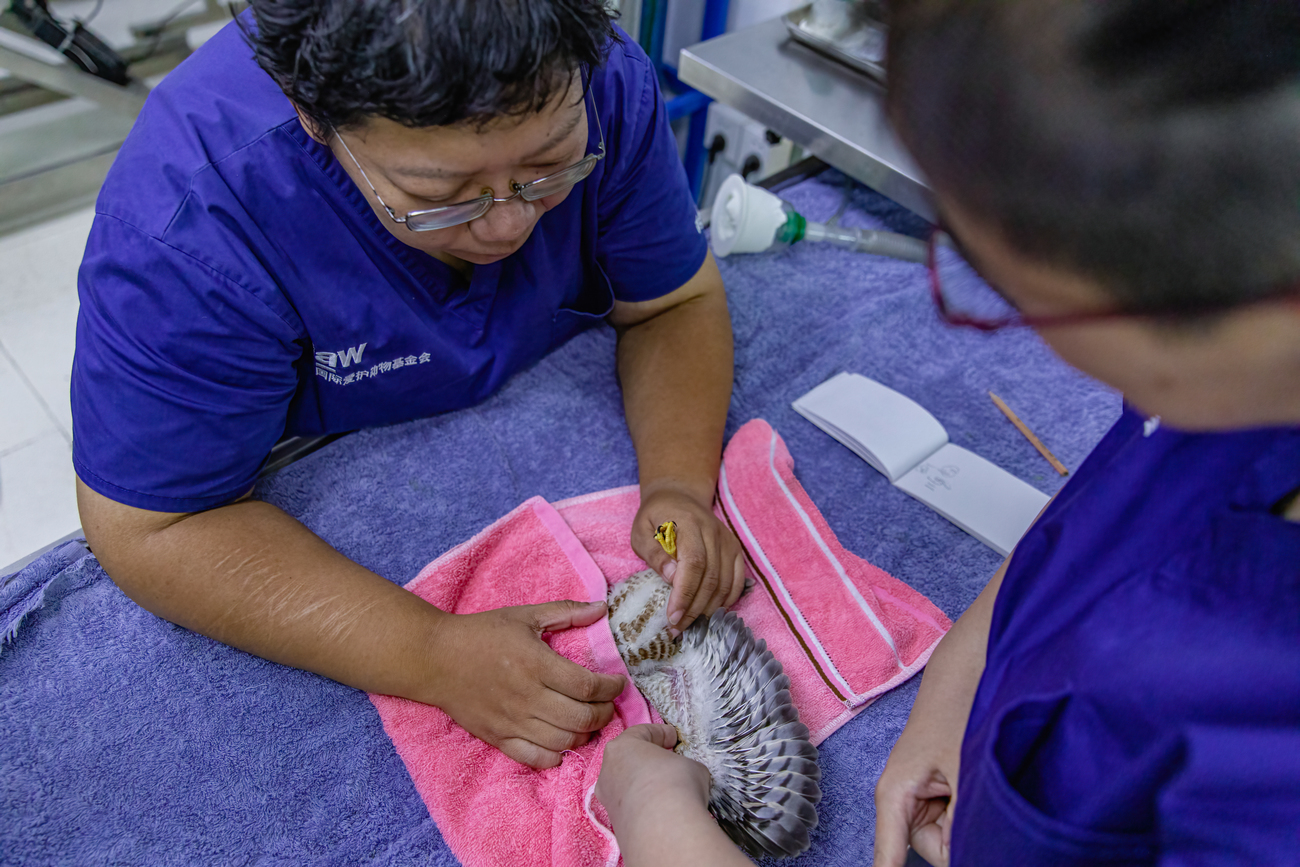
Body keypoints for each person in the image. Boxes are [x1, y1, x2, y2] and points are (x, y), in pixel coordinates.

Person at [596, 1, 1300, 863]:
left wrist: (655, 817)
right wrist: (958, 681)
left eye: (999, 279)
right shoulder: (1226, 376)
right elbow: (1106, 515)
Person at [72, 0, 747, 771]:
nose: (508, 227)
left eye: (551, 167)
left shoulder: (608, 82)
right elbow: (152, 527)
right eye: (441, 197)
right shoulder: (190, 223)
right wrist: (429, 653)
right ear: (313, 118)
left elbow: (672, 302)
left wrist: (677, 489)